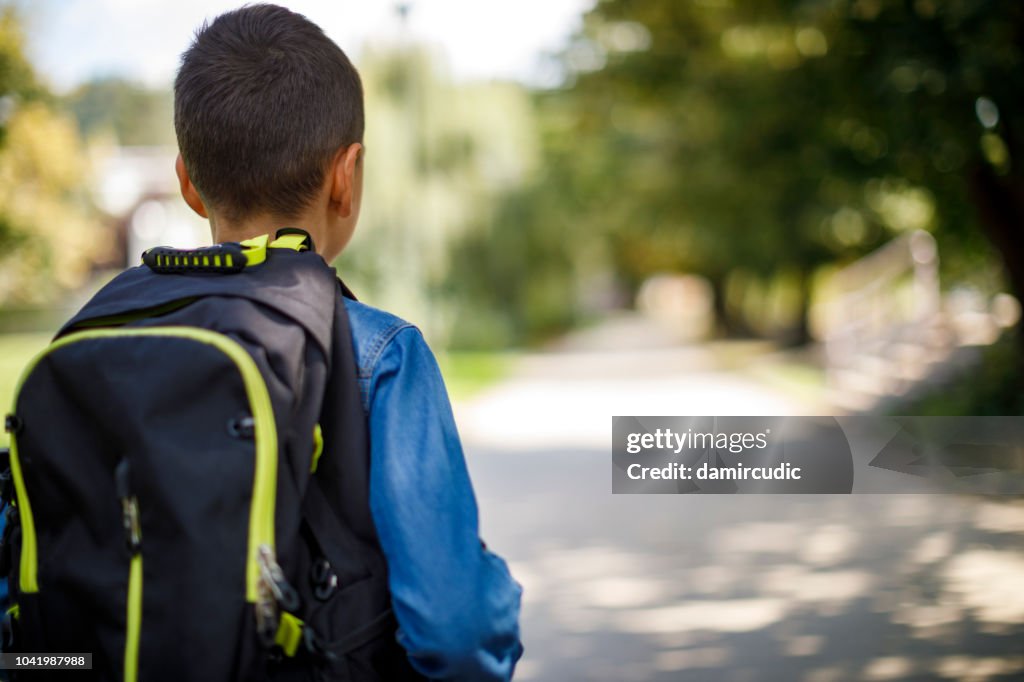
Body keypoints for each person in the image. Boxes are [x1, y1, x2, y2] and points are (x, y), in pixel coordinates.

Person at [172, 4, 523, 679]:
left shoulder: (94, 336)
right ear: (346, 176)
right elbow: (456, 633)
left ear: (187, 182)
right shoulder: (377, 354)